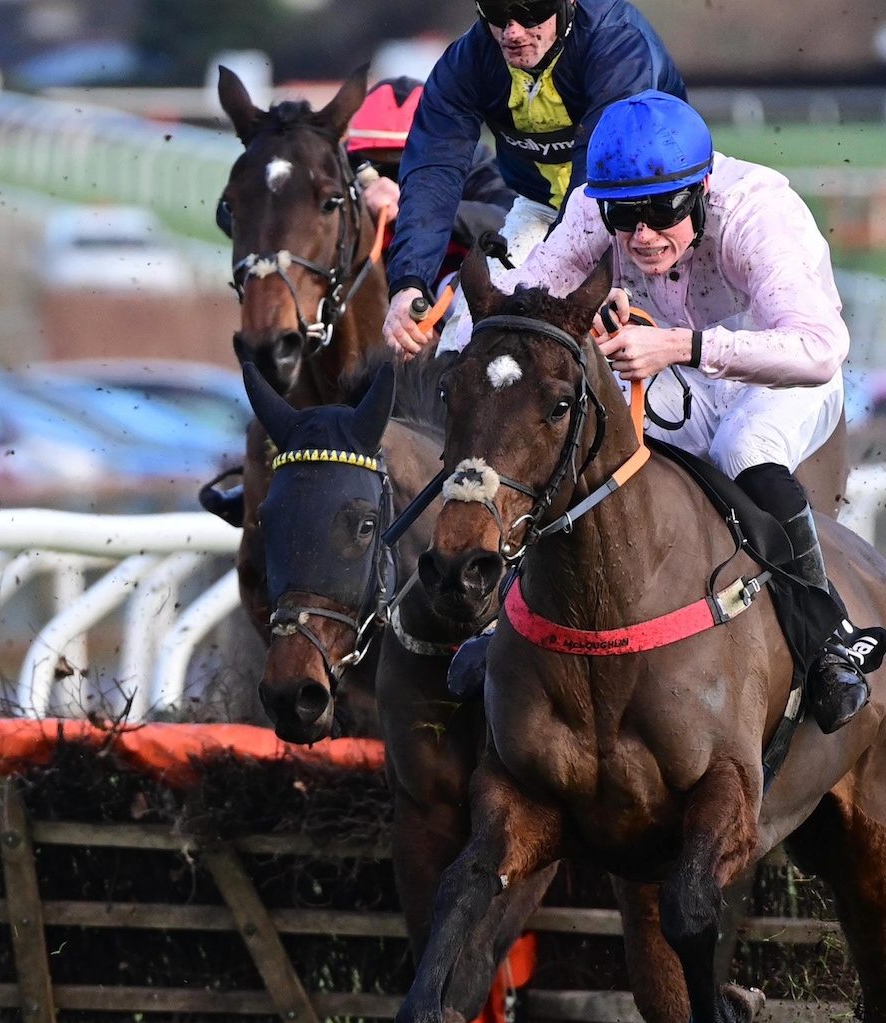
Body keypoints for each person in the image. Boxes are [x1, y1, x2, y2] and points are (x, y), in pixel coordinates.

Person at [474, 91, 866, 730]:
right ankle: (502, 623)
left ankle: (826, 640)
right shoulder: (593, 208)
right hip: (670, 366)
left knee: (741, 450)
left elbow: (820, 350)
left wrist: (679, 345)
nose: (643, 235)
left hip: (783, 374)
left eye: (663, 211)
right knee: (569, 442)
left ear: (703, 187)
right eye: (624, 218)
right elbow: (531, 306)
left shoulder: (757, 216)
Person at [381, 0, 685, 359]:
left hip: (639, 210)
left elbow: (599, 175)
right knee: (464, 337)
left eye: (532, 11)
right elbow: (434, 170)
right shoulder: (467, 60)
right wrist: (409, 281)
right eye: (497, 14)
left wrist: (563, 272)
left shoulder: (615, 42)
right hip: (540, 205)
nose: (513, 32)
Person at [346, 76, 513, 280]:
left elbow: (508, 220)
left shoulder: (472, 161)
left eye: (411, 161)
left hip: (451, 282)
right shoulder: (339, 167)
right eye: (377, 165)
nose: (391, 178)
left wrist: (416, 208)